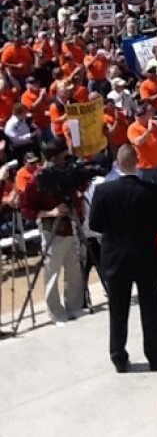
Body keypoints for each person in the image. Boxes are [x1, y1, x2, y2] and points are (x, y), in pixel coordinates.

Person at [89, 144, 157, 373]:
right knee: (150, 309)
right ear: (137, 161)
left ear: (117, 162)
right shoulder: (152, 191)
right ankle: (155, 355)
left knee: (117, 310)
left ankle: (118, 356)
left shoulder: (103, 192)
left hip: (115, 258)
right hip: (145, 255)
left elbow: (95, 224)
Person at [20, 138, 86, 324]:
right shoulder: (38, 179)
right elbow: (27, 210)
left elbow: (80, 187)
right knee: (52, 273)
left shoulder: (68, 172)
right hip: (52, 230)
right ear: (55, 158)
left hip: (72, 226)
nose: (67, 161)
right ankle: (56, 313)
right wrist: (51, 212)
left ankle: (74, 306)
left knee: (75, 269)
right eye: (64, 158)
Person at [127, 103, 157, 193]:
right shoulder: (132, 128)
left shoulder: (154, 124)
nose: (139, 117)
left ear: (147, 115)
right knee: (144, 191)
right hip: (143, 166)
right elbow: (138, 142)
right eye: (137, 115)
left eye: (142, 115)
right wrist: (149, 131)